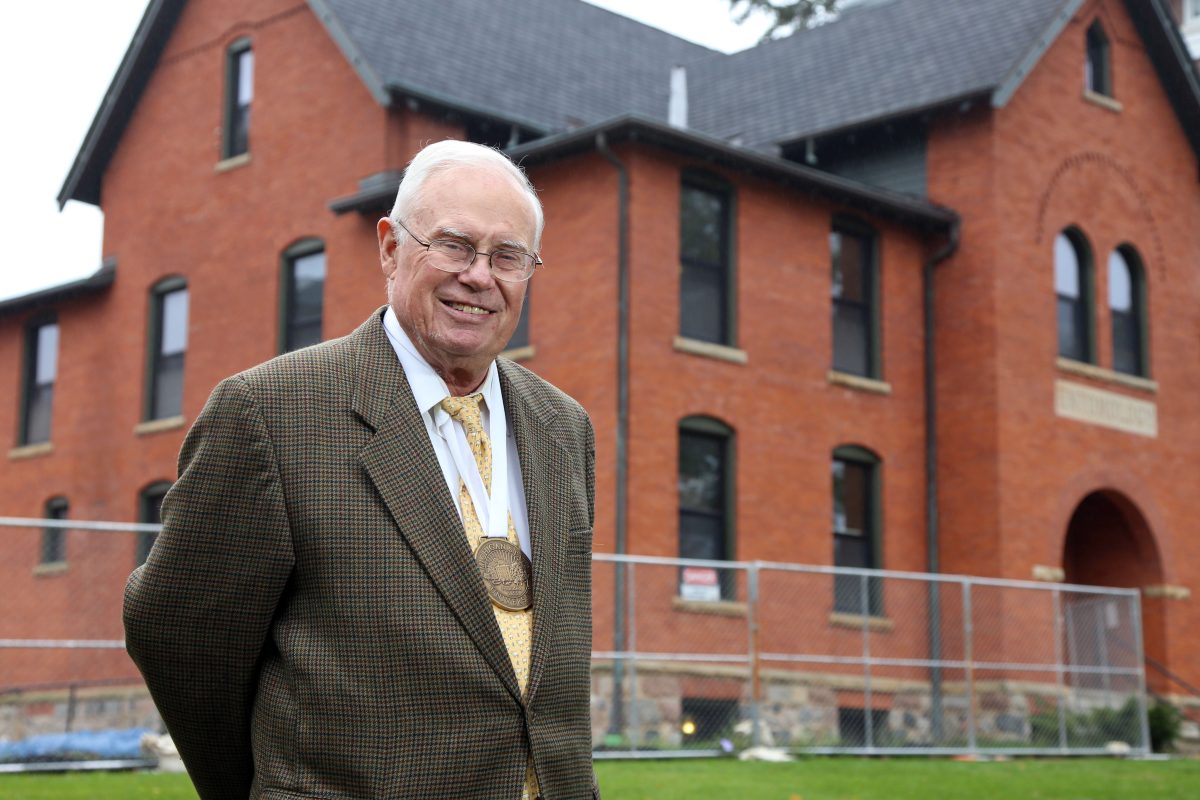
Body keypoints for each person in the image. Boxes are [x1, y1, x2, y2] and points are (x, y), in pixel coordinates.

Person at [124, 140, 598, 800]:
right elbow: (177, 637)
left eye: (507, 256)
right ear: (389, 248)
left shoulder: (563, 427)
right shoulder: (271, 412)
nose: (480, 276)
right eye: (455, 245)